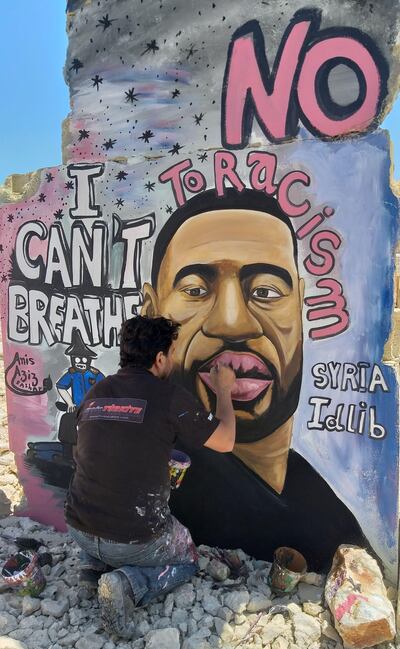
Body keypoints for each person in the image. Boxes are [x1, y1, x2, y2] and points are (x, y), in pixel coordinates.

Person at [141, 188, 367, 571]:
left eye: (266, 291)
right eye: (195, 291)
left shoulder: (328, 514)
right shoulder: (139, 466)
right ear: (152, 311)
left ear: (300, 311)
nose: (232, 323)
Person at [65, 315, 236, 637]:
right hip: (132, 541)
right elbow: (225, 441)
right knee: (186, 558)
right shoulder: (168, 396)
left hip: (79, 528)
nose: (173, 359)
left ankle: (91, 567)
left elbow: (102, 450)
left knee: (104, 506)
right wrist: (224, 391)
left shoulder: (96, 391)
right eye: (172, 352)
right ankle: (129, 584)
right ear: (160, 358)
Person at [56, 328, 105, 460]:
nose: (81, 362)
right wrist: (70, 403)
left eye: (84, 359)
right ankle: (69, 457)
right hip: (77, 409)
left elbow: (105, 389)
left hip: (93, 409)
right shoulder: (72, 374)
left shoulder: (95, 374)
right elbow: (61, 386)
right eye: (77, 359)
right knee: (67, 422)